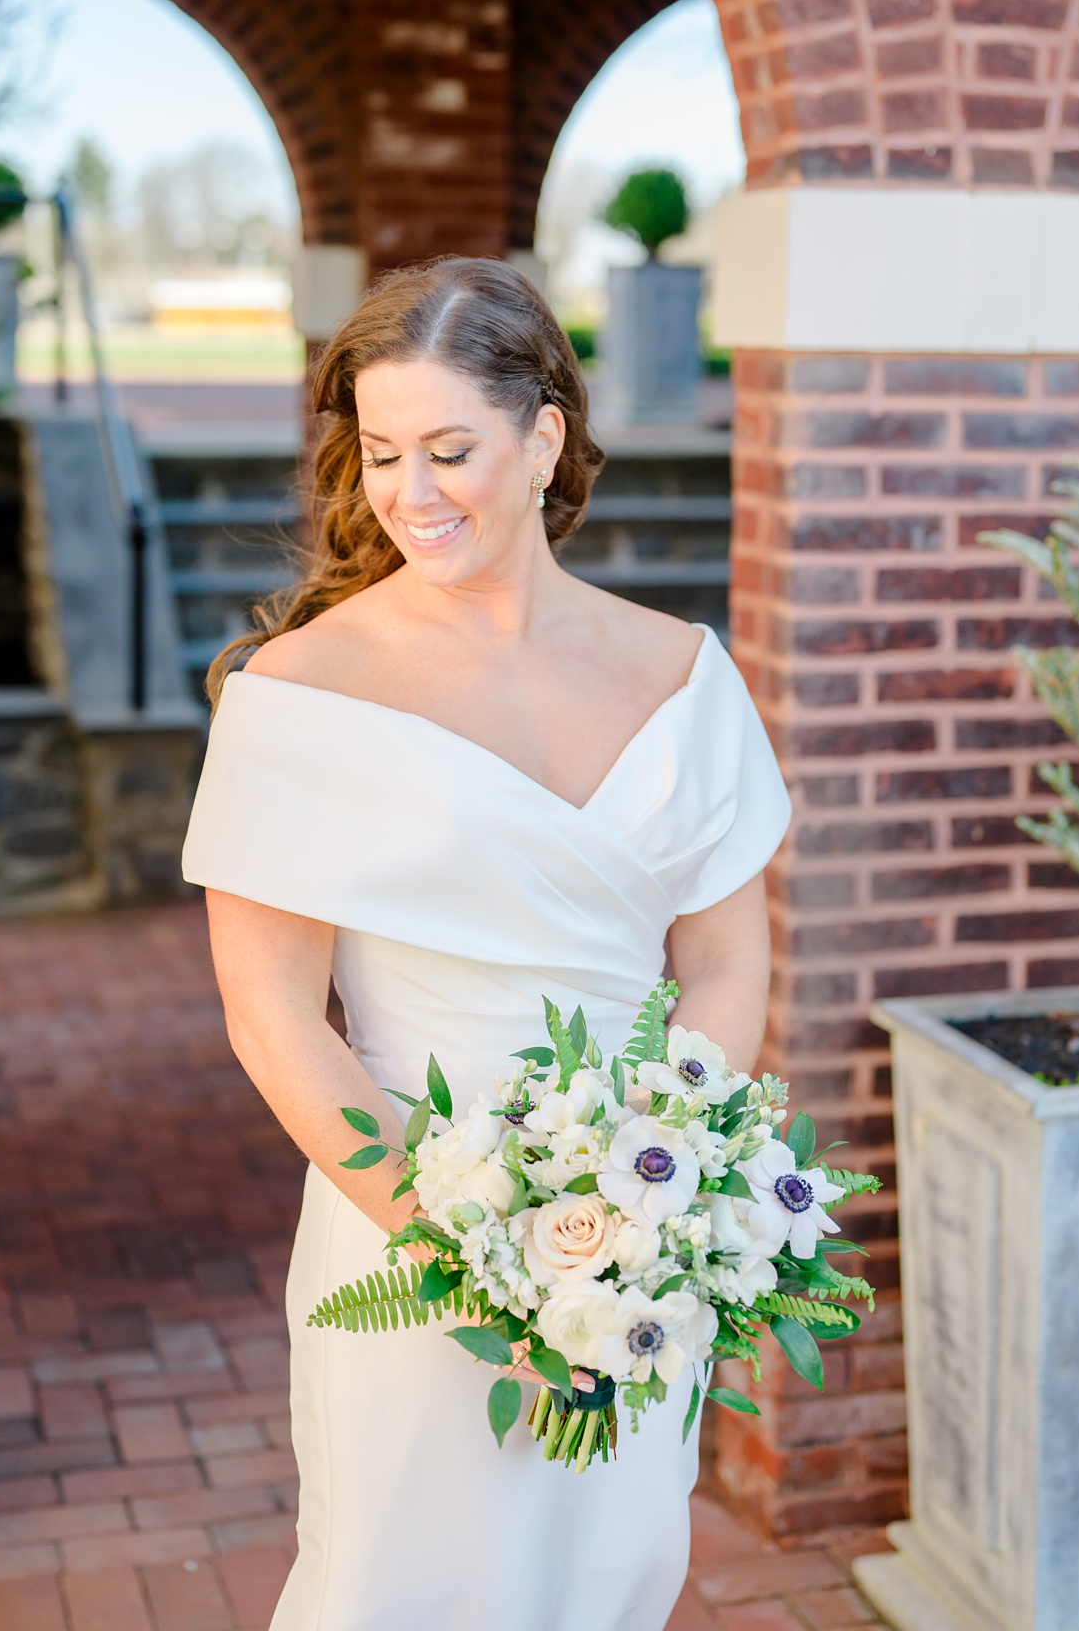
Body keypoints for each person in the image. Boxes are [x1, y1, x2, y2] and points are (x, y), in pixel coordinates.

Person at [180, 258, 789, 1630]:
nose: (411, 491)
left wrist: (647, 1201)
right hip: (407, 1238)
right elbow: (274, 1019)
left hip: (634, 1251)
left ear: (546, 435)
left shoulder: (683, 675)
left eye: (449, 449)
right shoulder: (299, 696)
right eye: (383, 452)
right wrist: (484, 1261)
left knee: (612, 1575)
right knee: (403, 1584)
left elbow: (728, 965)